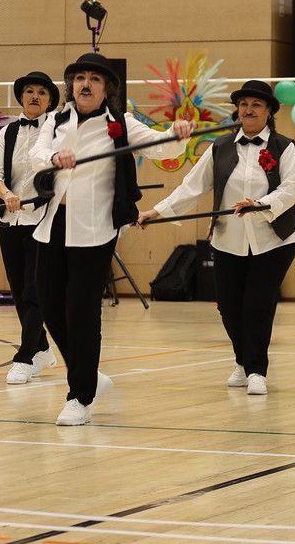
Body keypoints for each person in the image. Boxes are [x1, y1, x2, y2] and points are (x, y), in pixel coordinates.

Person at [31, 52, 193, 426]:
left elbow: (158, 146)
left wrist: (176, 134)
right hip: (54, 222)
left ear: (107, 89)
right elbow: (37, 153)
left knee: (81, 310)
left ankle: (80, 396)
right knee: (49, 304)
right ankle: (88, 374)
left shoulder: (121, 124)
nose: (85, 84)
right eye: (80, 78)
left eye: (95, 79)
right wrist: (56, 156)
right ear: (71, 85)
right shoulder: (54, 121)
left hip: (95, 229)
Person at [149, 79, 295, 396]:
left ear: (269, 112)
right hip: (228, 239)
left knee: (257, 304)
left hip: (275, 239)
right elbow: (193, 186)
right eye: (244, 104)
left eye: (256, 105)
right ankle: (242, 360)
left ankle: (257, 369)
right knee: (229, 306)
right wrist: (158, 211)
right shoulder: (220, 147)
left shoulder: (283, 146)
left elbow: (291, 188)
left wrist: (261, 205)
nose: (248, 109)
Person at [0, 70, 59, 384]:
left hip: (42, 219)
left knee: (34, 290)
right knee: (18, 290)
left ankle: (26, 356)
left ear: (50, 101)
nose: (34, 96)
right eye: (29, 91)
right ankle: (41, 347)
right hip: (9, 218)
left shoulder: (57, 132)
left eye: (42, 92)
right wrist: (6, 194)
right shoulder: (9, 132)